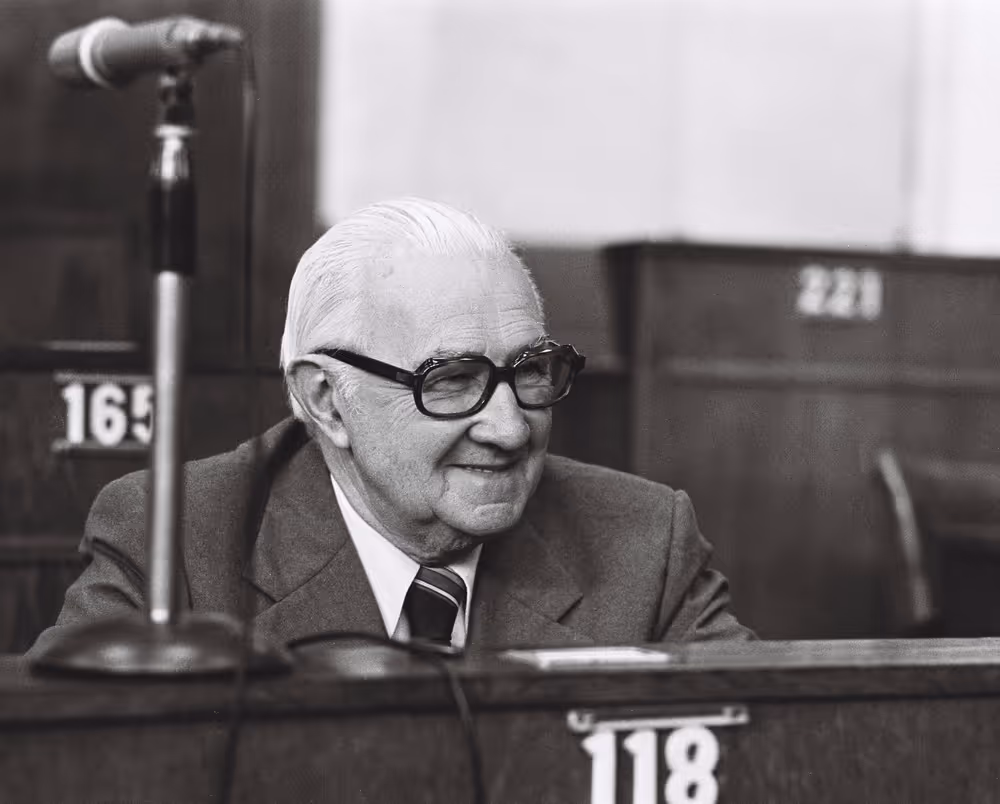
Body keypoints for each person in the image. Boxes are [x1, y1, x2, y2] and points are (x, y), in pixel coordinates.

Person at [30, 197, 752, 655]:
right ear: (326, 399)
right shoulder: (173, 543)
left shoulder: (644, 541)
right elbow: (61, 765)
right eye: (452, 380)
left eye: (532, 371)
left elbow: (760, 756)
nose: (509, 429)